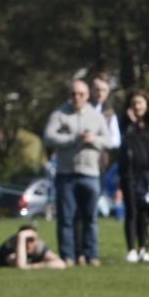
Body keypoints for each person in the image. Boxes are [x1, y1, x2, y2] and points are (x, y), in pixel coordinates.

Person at [43, 79, 108, 266]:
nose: (76, 97)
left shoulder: (96, 117)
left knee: (91, 218)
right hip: (66, 173)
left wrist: (93, 140)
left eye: (81, 94)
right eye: (73, 94)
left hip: (91, 174)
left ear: (88, 96)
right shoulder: (59, 114)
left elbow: (109, 141)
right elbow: (49, 137)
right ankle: (68, 256)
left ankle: (91, 255)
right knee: (66, 218)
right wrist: (73, 139)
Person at [118, 90, 149, 263]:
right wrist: (132, 123)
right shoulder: (125, 126)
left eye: (140, 103)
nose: (136, 107)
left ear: (146, 105)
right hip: (129, 174)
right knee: (132, 211)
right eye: (133, 103)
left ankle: (143, 248)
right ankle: (132, 249)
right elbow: (126, 142)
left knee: (144, 212)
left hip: (147, 174)